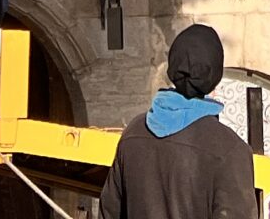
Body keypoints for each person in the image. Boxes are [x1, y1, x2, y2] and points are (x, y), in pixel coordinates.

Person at [99, 25, 254, 219]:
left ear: (173, 68)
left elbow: (109, 213)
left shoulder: (133, 135)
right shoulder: (230, 149)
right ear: (215, 76)